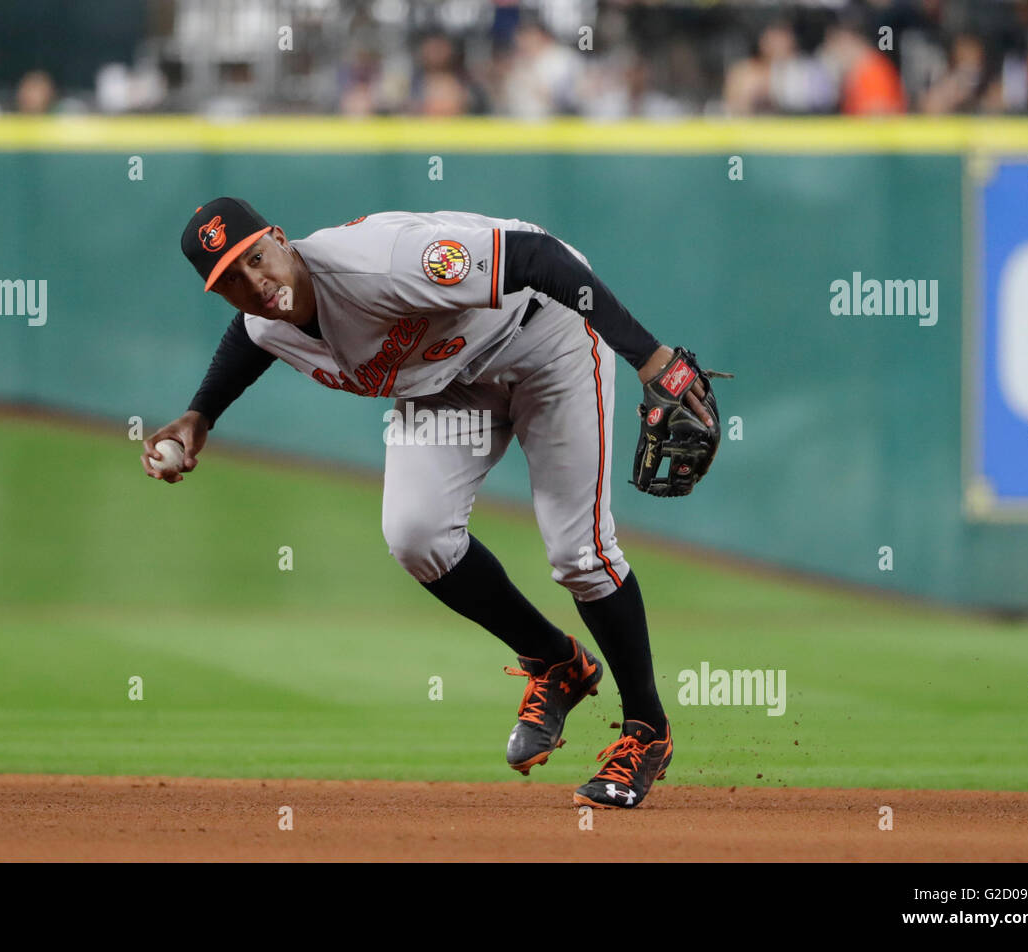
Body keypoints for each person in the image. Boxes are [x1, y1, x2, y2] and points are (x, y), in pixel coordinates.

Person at [142, 198, 724, 808]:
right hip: (450, 383)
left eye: (255, 259)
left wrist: (651, 359)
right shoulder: (264, 314)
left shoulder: (382, 264)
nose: (253, 283)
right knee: (416, 534)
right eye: (229, 279)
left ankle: (646, 731)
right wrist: (199, 414)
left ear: (281, 240)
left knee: (579, 551)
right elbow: (254, 332)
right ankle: (556, 663)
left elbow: (537, 257)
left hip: (544, 338)